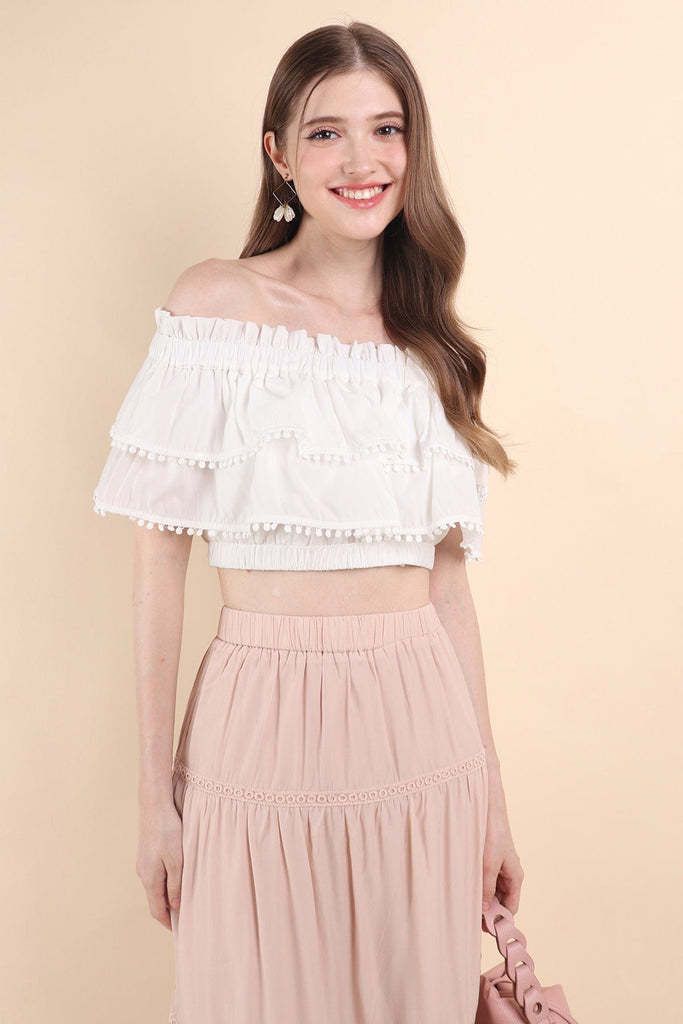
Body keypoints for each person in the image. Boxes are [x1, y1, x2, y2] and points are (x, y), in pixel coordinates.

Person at [93, 20, 523, 1024]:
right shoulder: (216, 307)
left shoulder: (431, 347)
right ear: (279, 154)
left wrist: (492, 796)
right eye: (326, 132)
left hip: (421, 727)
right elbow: (158, 565)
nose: (361, 160)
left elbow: (447, 592)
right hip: (258, 717)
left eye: (386, 128)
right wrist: (151, 799)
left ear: (413, 148)